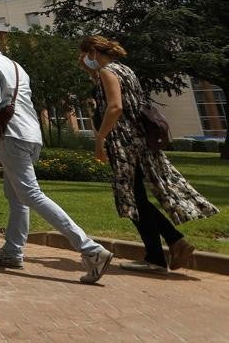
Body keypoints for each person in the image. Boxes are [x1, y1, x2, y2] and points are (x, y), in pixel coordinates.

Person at [0, 34, 113, 283]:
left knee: (30, 194)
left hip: (11, 135)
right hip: (31, 134)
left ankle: (90, 250)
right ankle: (12, 251)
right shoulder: (15, 66)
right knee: (16, 196)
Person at [80, 35, 218, 273]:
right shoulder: (124, 70)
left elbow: (115, 106)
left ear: (93, 51)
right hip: (140, 139)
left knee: (131, 198)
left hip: (123, 141)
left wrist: (100, 138)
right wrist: (88, 70)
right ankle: (170, 245)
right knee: (137, 197)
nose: (83, 59)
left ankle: (162, 251)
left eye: (84, 55)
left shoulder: (107, 72)